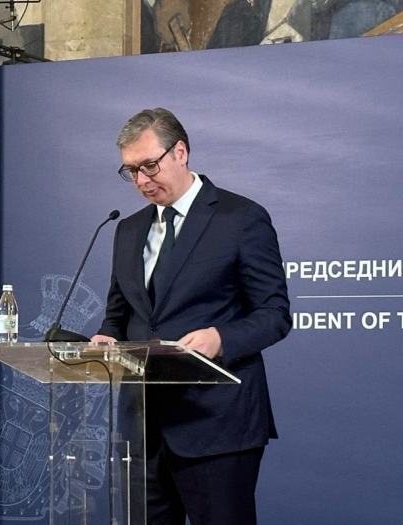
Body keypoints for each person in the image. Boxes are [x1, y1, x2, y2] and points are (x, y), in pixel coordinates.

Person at [92, 108, 291, 524]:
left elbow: (274, 314)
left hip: (216, 424)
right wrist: (106, 337)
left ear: (180, 152)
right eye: (131, 171)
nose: (142, 180)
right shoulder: (128, 230)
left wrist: (220, 338)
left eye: (150, 165)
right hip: (141, 430)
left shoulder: (240, 218)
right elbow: (119, 314)